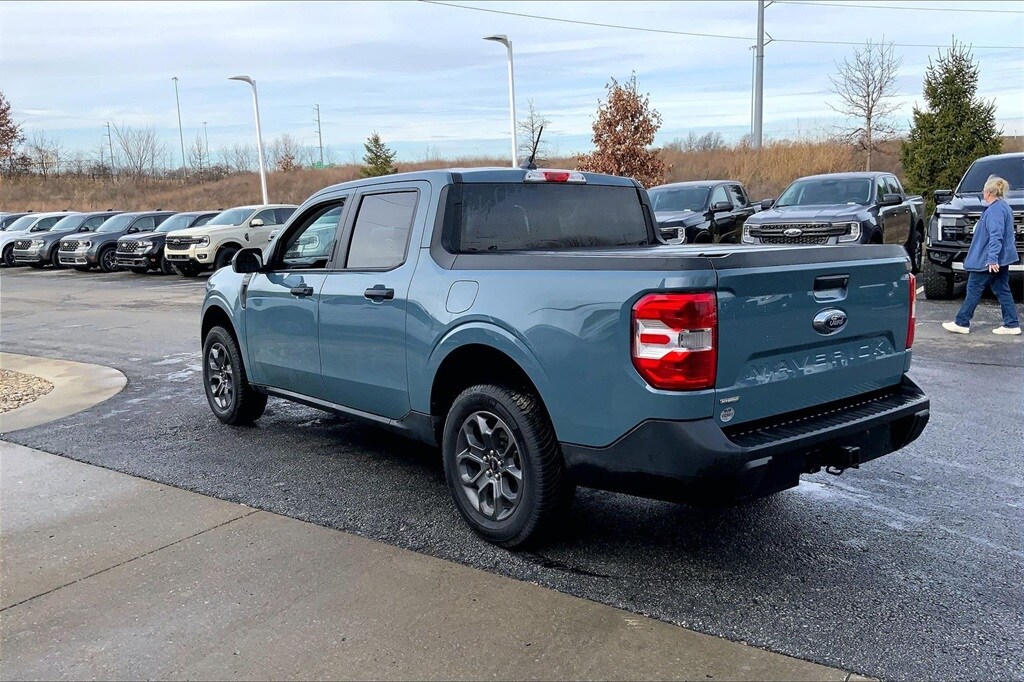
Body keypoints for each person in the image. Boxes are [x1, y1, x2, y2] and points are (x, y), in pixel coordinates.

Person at [942, 175, 1021, 336]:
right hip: (999, 259)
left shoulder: (994, 210)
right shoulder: (1004, 206)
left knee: (973, 289)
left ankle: (962, 322)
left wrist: (992, 258)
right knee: (1002, 289)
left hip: (987, 260)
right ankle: (1011, 323)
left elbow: (996, 235)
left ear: (988, 193)